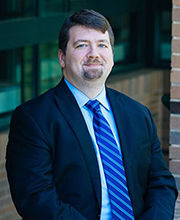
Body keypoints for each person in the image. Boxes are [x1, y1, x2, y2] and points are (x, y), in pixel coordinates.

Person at [6, 9, 177, 220]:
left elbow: (161, 181)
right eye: (82, 45)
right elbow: (35, 198)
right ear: (62, 57)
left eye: (102, 45)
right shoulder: (34, 119)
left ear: (112, 56)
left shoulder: (137, 113)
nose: (94, 53)